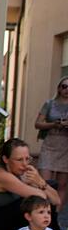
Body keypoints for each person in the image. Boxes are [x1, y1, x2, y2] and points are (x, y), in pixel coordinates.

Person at [34, 76, 68, 212]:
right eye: (64, 86)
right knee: (43, 182)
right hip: (50, 143)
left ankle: (56, 216)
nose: (67, 90)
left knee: (62, 184)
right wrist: (54, 124)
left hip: (66, 145)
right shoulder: (50, 104)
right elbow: (37, 123)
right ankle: (42, 211)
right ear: (59, 88)